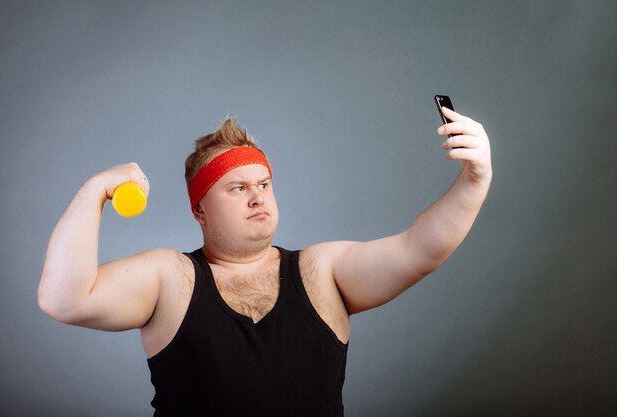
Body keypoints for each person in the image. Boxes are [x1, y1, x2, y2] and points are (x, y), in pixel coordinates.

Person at [38, 106, 492, 417]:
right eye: (237, 188)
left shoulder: (323, 270)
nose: (258, 197)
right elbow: (65, 300)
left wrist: (475, 179)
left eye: (264, 184)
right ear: (199, 210)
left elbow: (420, 249)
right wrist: (95, 190)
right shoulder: (168, 278)